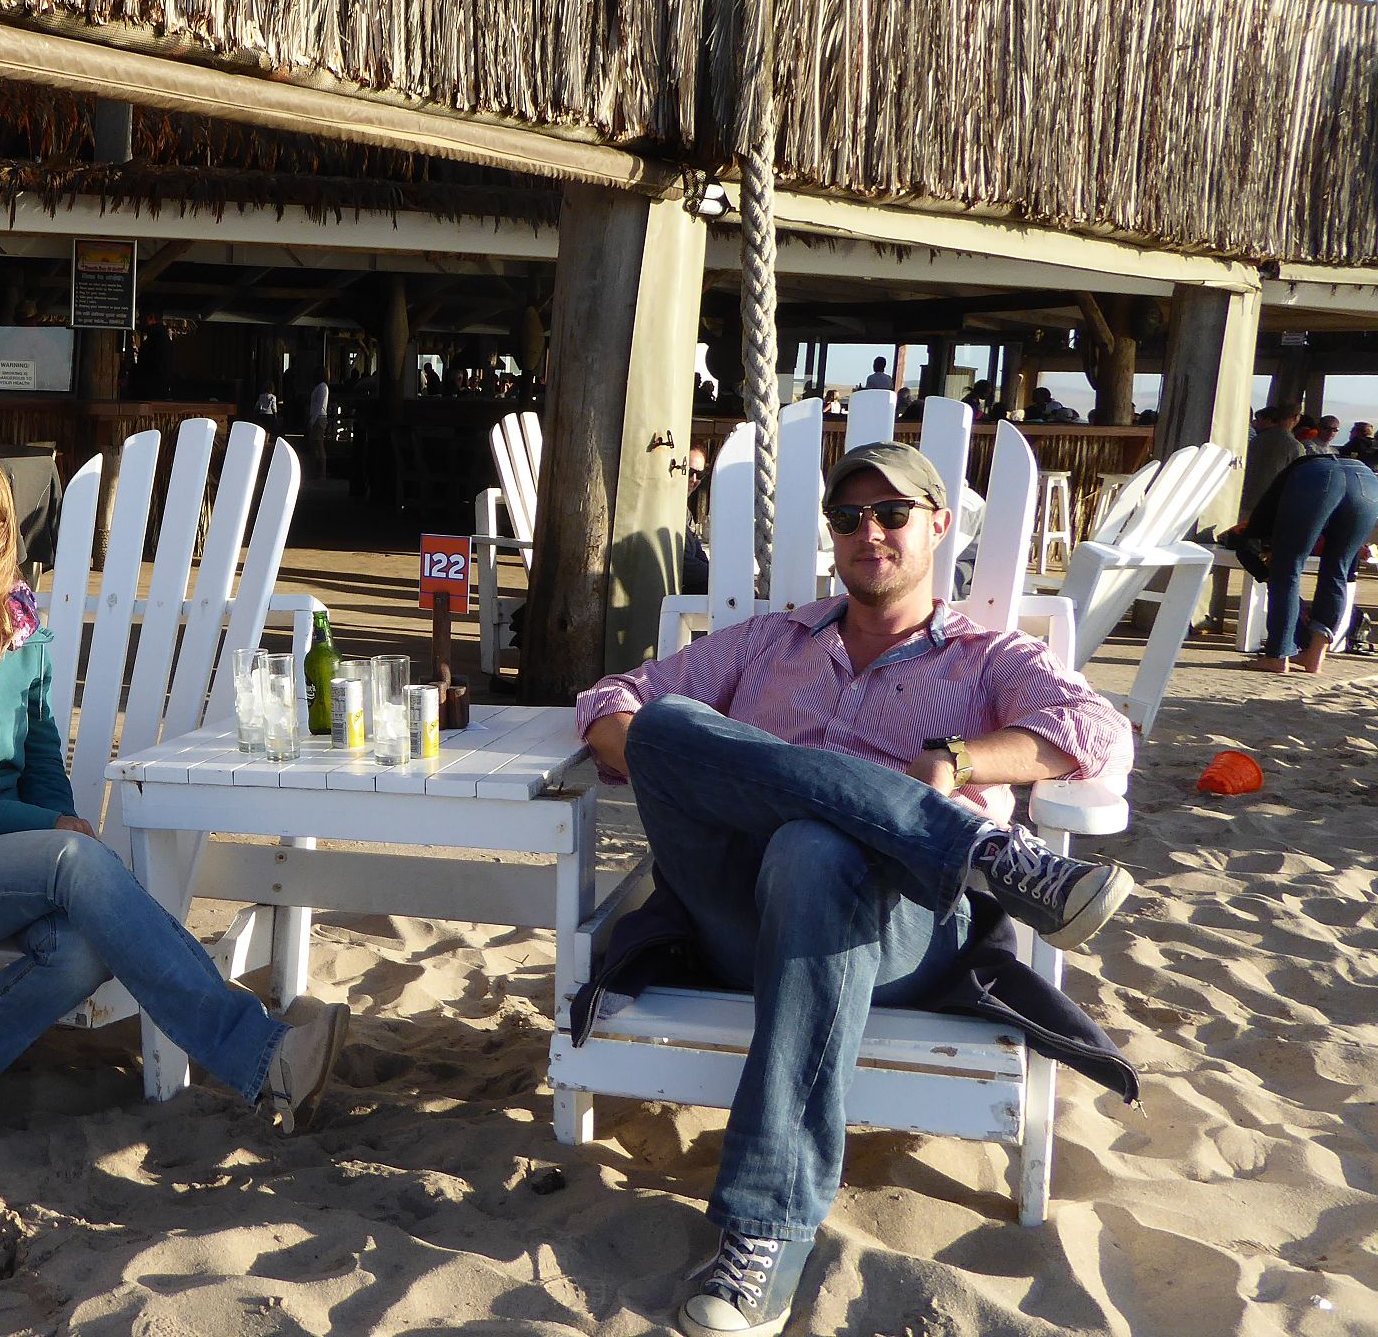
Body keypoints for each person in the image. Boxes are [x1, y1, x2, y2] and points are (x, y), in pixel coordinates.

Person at [572, 442, 1135, 1337]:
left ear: (940, 526)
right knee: (670, 721)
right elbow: (612, 700)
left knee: (811, 849)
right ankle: (982, 850)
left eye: (893, 513)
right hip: (733, 911)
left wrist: (959, 758)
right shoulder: (768, 642)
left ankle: (764, 1234)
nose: (869, 531)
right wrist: (660, 747)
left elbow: (1096, 730)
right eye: (848, 516)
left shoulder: (988, 658)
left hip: (897, 932)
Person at [0, 445, 347, 1166]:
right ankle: (262, 1057)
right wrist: (45, 829)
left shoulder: (20, 639)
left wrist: (53, 818)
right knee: (74, 858)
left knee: (79, 950)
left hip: (9, 867)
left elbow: (42, 762)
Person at [1226, 446, 1378, 674]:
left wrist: (1262, 548)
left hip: (1317, 479)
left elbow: (1258, 526)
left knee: (1286, 569)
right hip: (1367, 481)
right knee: (1338, 570)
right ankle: (1314, 657)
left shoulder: (1299, 470)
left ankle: (1278, 656)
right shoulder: (1312, 465)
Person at [1239, 406, 1309, 516]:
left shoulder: (1257, 440)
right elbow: (1300, 479)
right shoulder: (1295, 446)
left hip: (1247, 500)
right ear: (1296, 418)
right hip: (1274, 505)